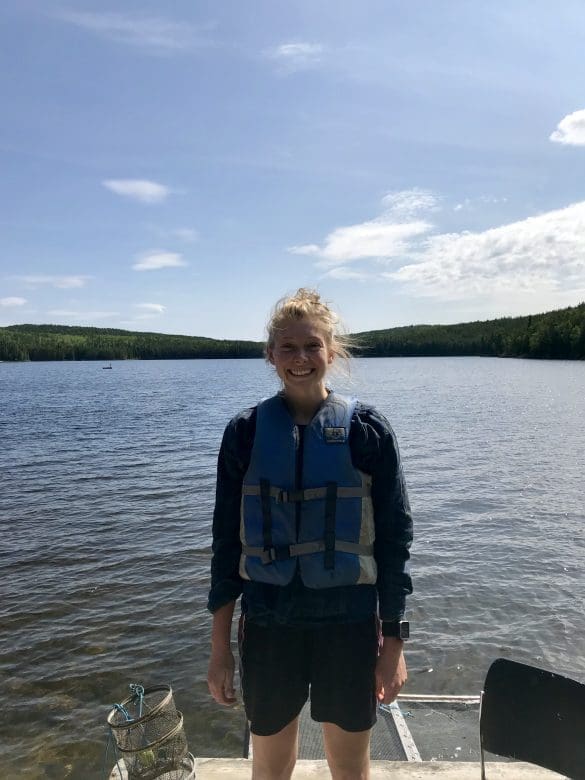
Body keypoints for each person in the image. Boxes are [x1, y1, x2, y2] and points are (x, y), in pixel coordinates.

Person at [207, 288, 413, 780]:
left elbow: (394, 543)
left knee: (349, 767)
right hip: (269, 621)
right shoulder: (245, 433)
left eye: (312, 346)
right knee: (272, 765)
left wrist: (393, 648)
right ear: (271, 356)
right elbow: (224, 547)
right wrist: (219, 651)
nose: (301, 359)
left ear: (331, 351)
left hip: (347, 623)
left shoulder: (368, 432)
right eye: (288, 348)